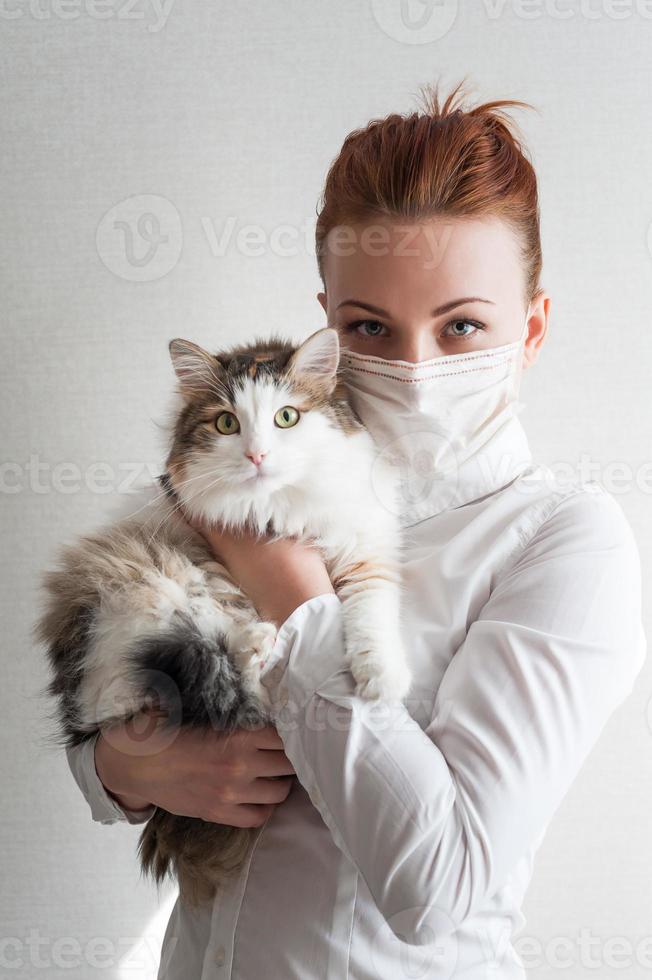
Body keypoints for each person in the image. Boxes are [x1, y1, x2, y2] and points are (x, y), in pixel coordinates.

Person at [66, 82, 647, 979]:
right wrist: (119, 769)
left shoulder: (567, 543)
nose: (413, 370)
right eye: (370, 325)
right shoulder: (255, 477)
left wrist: (287, 592)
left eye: (462, 327)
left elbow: (439, 888)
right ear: (326, 328)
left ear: (531, 329)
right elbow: (121, 673)